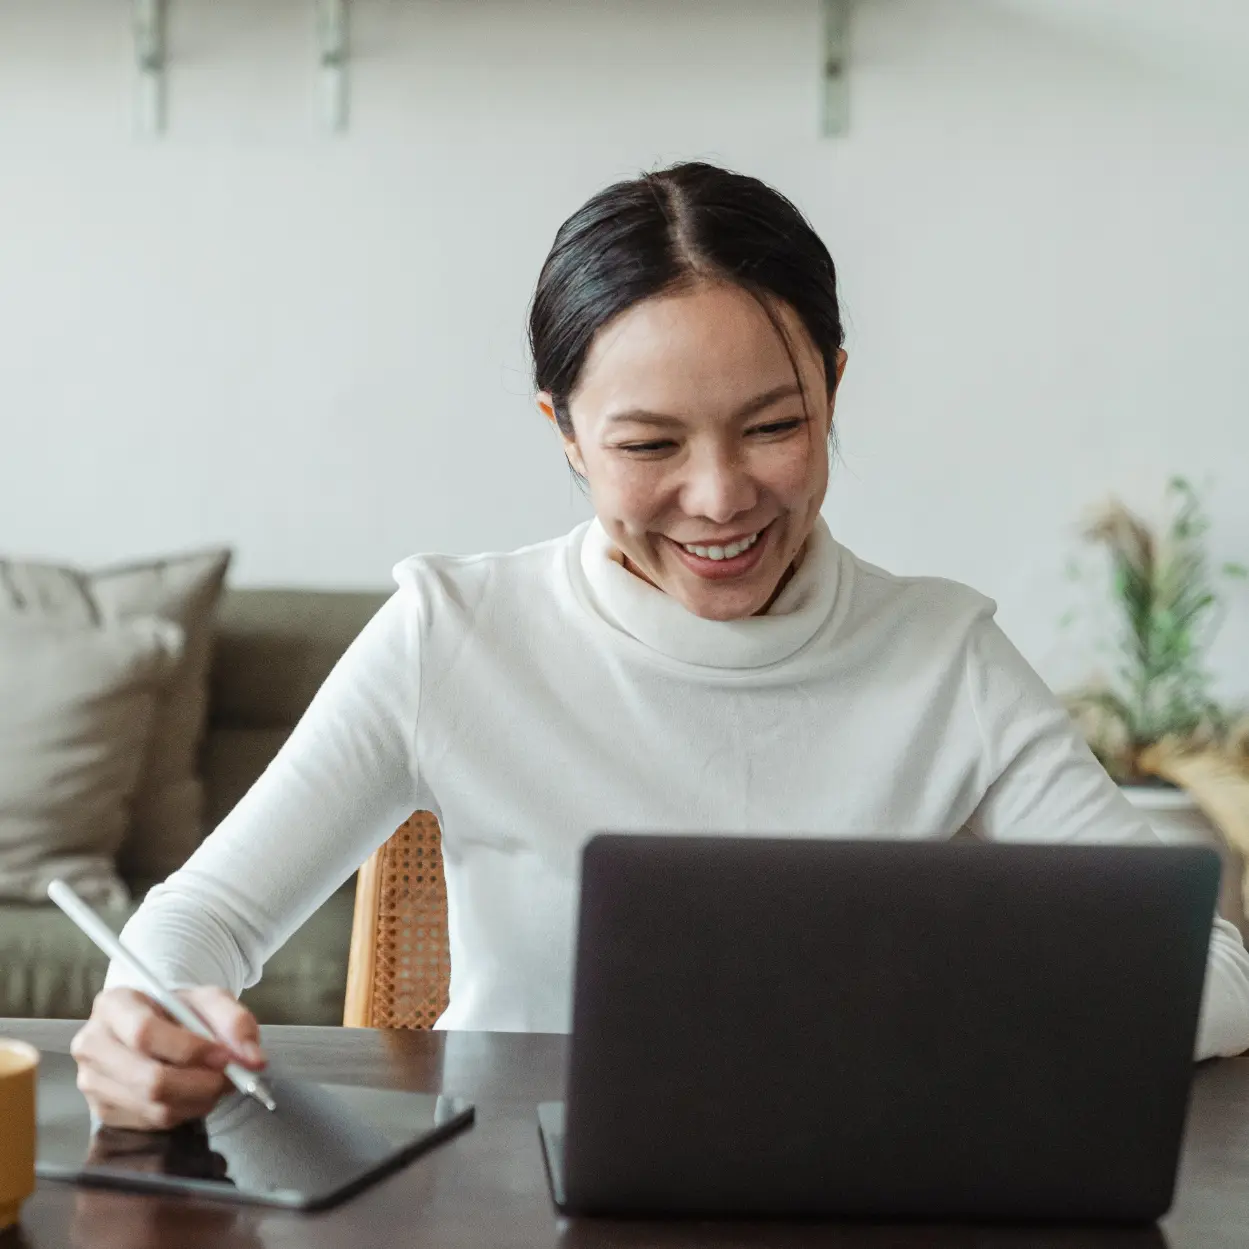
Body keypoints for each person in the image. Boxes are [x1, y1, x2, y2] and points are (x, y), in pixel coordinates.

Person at [71, 161, 1249, 1129]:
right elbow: (199, 918)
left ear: (833, 391)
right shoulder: (452, 633)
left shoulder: (944, 657)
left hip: (852, 1189)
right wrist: (146, 1014)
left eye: (774, 426)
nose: (719, 496)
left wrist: (958, 1011)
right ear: (567, 435)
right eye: (647, 445)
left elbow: (1217, 971)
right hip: (505, 1191)